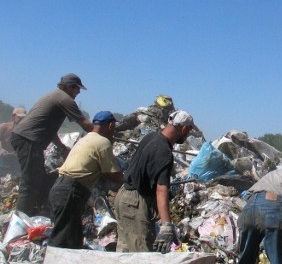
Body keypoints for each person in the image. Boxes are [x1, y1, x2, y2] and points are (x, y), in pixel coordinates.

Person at [11, 74, 93, 216]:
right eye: (76, 88)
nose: (78, 92)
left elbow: (50, 130)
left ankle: (37, 208)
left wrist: (61, 147)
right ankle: (21, 218)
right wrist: (104, 133)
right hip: (28, 139)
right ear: (68, 86)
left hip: (25, 138)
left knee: (39, 177)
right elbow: (85, 125)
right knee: (30, 180)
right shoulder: (64, 99)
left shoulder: (54, 96)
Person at [113, 109, 194, 253]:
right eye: (188, 132)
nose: (187, 136)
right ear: (184, 128)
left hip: (123, 196)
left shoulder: (151, 137)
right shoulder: (164, 150)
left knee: (124, 253)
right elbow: (161, 189)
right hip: (135, 203)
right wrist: (166, 225)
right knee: (142, 256)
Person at [48, 111, 124, 249]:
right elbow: (112, 173)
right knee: (61, 239)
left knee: (74, 237)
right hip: (70, 192)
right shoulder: (103, 142)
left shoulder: (85, 138)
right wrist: (129, 181)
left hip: (59, 189)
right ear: (111, 125)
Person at [0, 107, 27, 175]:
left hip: (17, 158)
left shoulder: (24, 129)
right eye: (19, 117)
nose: (21, 120)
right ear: (14, 116)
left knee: (17, 178)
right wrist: (1, 150)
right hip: (4, 158)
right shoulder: (4, 127)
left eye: (23, 118)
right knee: (3, 177)